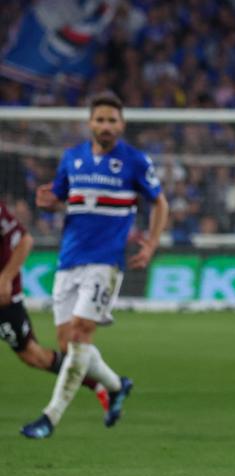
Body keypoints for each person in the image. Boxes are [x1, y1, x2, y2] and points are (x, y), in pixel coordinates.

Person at [20, 91, 169, 439]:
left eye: (111, 120)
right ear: (90, 123)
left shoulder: (134, 161)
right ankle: (117, 386)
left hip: (106, 263)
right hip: (69, 260)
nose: (105, 126)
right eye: (100, 119)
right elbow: (62, 201)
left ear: (122, 124)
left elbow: (160, 203)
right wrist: (48, 203)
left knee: (81, 333)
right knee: (66, 345)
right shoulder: (71, 159)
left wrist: (151, 242)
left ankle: (50, 417)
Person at [0, 201, 109, 410]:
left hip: (4, 300)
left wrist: (5, 279)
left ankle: (97, 383)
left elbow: (25, 240)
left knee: (33, 356)